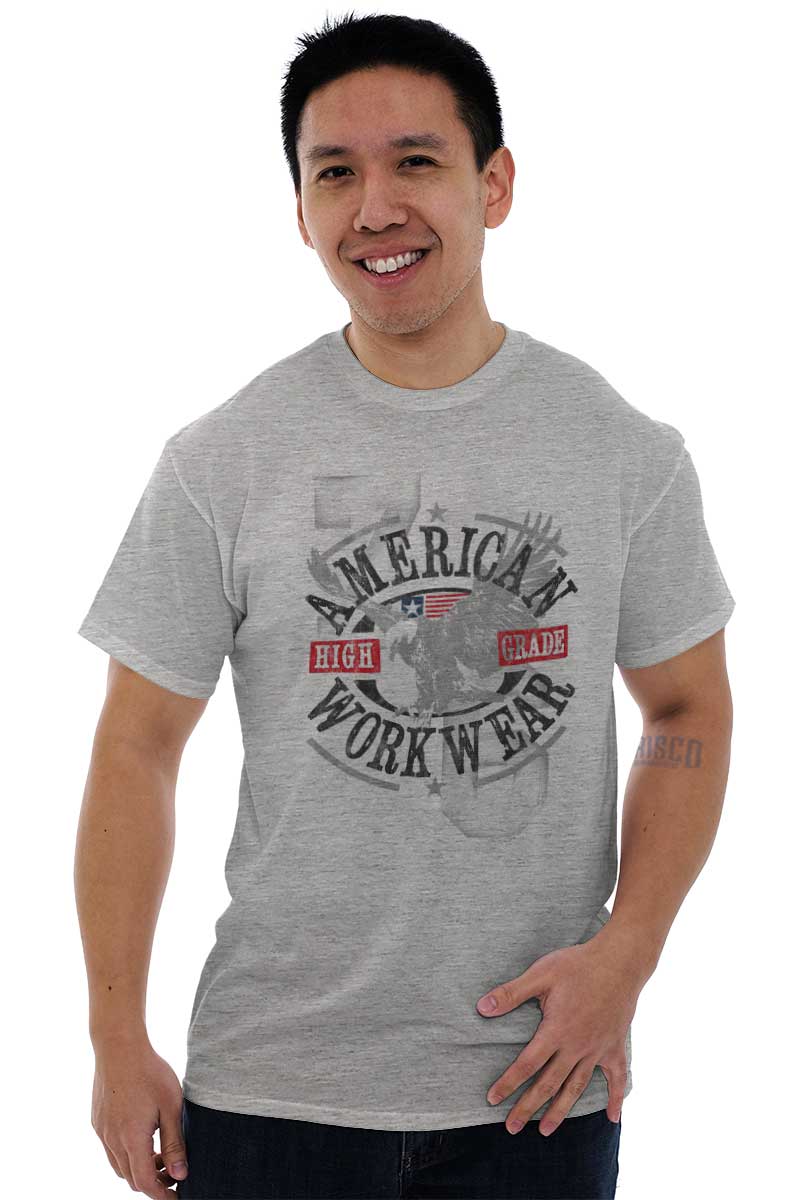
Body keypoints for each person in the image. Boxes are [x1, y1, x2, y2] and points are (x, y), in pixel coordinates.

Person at [74, 12, 735, 1200]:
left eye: (415, 162)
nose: (374, 208)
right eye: (334, 173)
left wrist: (627, 953)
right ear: (300, 210)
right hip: (270, 1096)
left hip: (537, 1086)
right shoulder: (221, 461)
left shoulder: (619, 451)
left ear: (494, 184)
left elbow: (688, 708)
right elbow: (134, 748)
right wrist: (114, 1039)